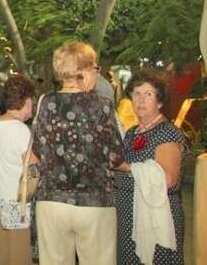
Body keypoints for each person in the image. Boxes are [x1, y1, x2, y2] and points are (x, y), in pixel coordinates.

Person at [33, 42, 124, 265]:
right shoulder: (103, 105)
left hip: (52, 201)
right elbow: (116, 156)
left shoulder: (45, 102)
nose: (96, 74)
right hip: (95, 202)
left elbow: (38, 149)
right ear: (83, 70)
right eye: (95, 68)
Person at [114, 73, 188, 265]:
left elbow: (168, 179)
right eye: (136, 93)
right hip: (127, 214)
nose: (141, 100)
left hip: (155, 216)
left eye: (148, 94)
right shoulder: (132, 132)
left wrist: (124, 167)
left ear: (160, 101)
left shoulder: (167, 133)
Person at [0, 74, 36, 265]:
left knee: (5, 253)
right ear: (27, 101)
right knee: (20, 254)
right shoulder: (19, 130)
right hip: (16, 201)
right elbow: (33, 165)